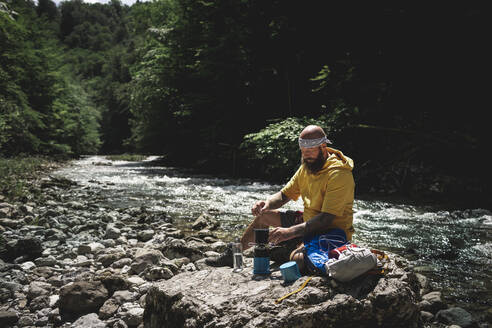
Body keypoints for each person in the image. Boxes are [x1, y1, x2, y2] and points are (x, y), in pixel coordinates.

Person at [206, 125, 355, 272]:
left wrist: (289, 232)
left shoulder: (339, 175)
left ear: (323, 147)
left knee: (297, 261)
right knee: (263, 216)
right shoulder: (308, 165)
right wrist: (266, 204)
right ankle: (234, 255)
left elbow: (325, 219)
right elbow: (284, 195)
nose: (306, 156)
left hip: (330, 232)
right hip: (306, 222)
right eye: (303, 152)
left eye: (309, 151)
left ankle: (287, 249)